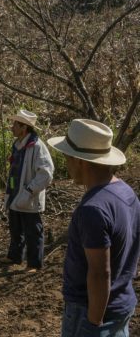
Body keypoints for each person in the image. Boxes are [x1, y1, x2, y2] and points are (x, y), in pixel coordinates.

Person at [48, 119, 140, 336]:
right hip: (121, 304)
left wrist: (92, 324)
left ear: (80, 161)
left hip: (92, 312)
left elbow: (100, 273)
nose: (66, 164)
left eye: (67, 157)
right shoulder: (126, 193)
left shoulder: (92, 209)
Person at [2, 109, 54, 272]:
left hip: (29, 196)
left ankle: (34, 263)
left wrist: (30, 190)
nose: (12, 127)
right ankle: (15, 257)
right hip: (15, 193)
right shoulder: (18, 144)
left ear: (24, 127)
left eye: (15, 125)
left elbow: (46, 173)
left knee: (33, 231)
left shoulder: (38, 146)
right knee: (15, 228)